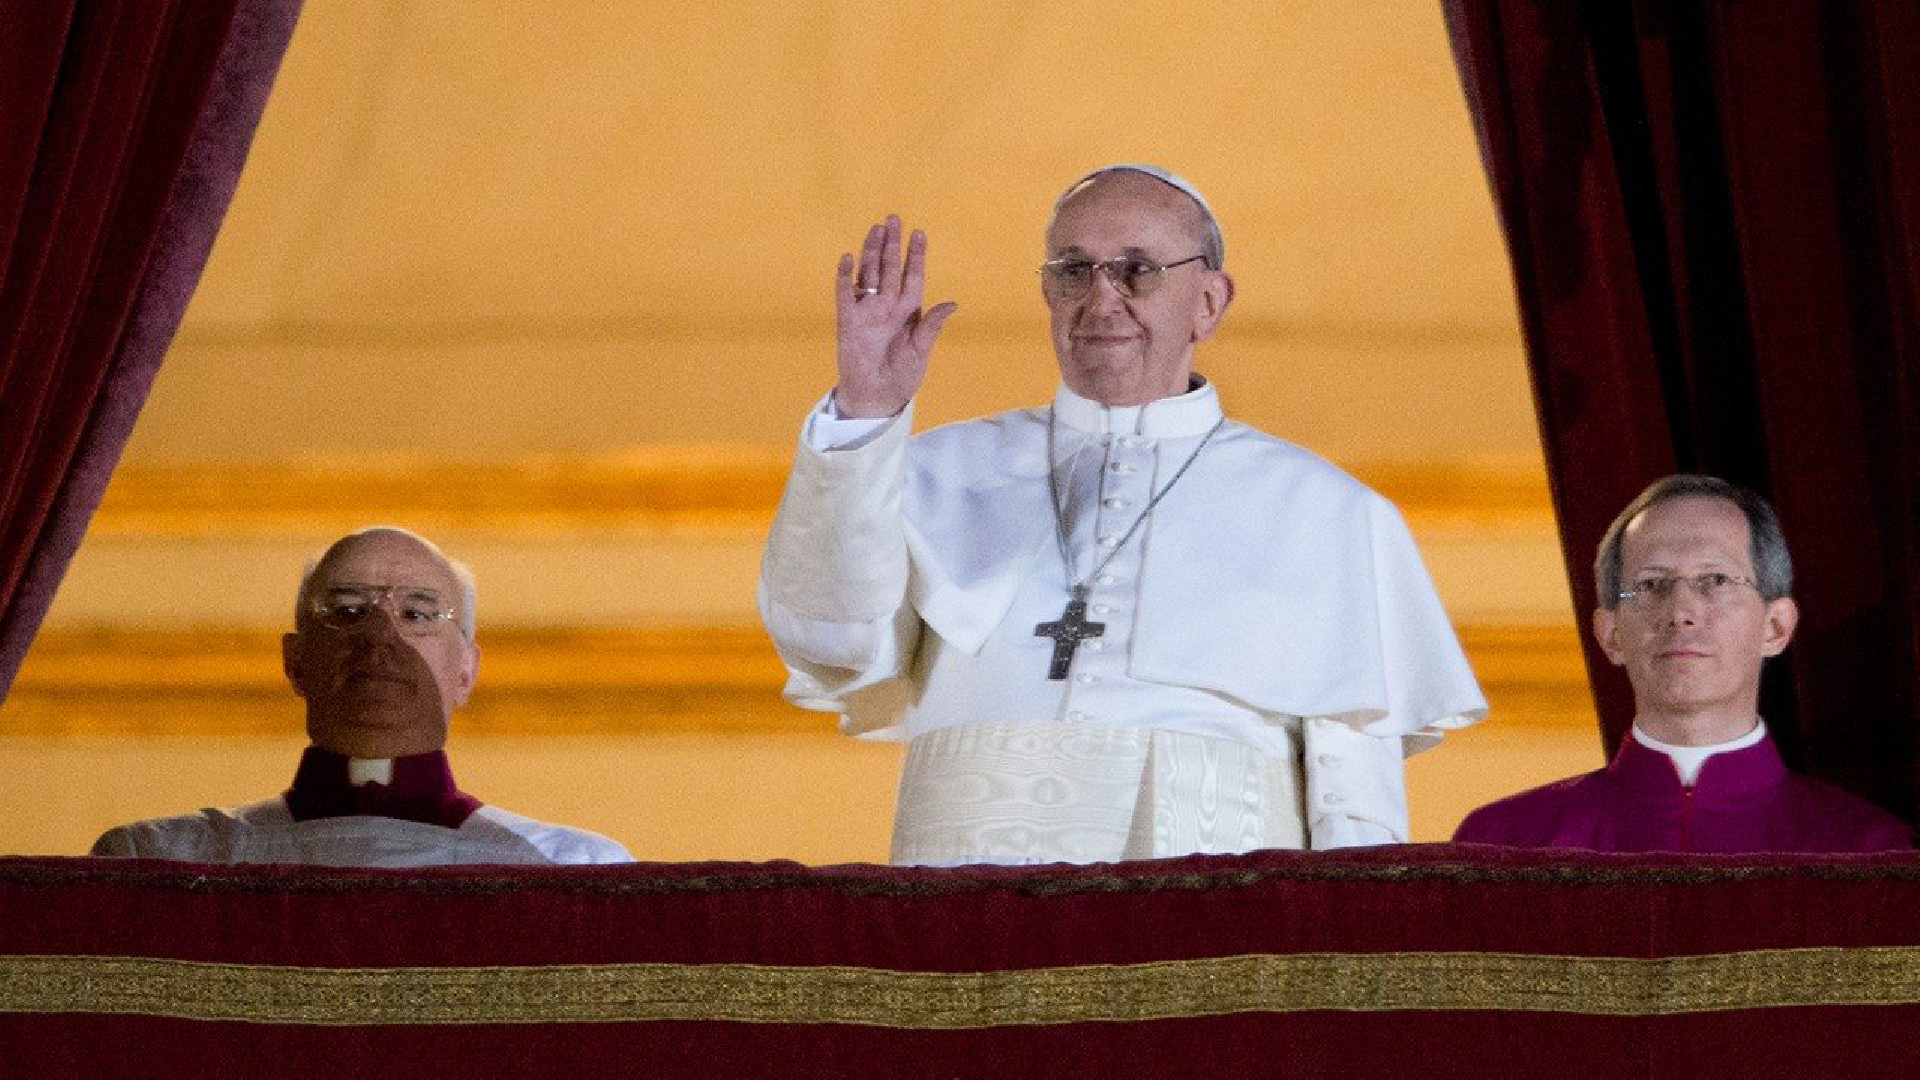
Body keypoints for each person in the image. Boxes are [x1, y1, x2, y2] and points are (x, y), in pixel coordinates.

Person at [759, 163, 1486, 865]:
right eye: (1073, 270)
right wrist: (865, 417)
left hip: (1209, 925)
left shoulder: (1329, 514)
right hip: (966, 912)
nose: (1102, 299)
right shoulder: (931, 473)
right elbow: (830, 640)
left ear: (1209, 301)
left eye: (1137, 269)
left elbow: (1356, 799)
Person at [91, 527, 631, 866]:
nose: (380, 638)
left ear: (466, 670)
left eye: (418, 614)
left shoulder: (575, 872)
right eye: (347, 611)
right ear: (295, 662)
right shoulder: (161, 863)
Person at [1454, 475, 1910, 853]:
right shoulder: (1505, 847)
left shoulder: (1867, 853)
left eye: (1714, 580)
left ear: (1775, 626)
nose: (1680, 611)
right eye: (1652, 585)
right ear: (1610, 633)